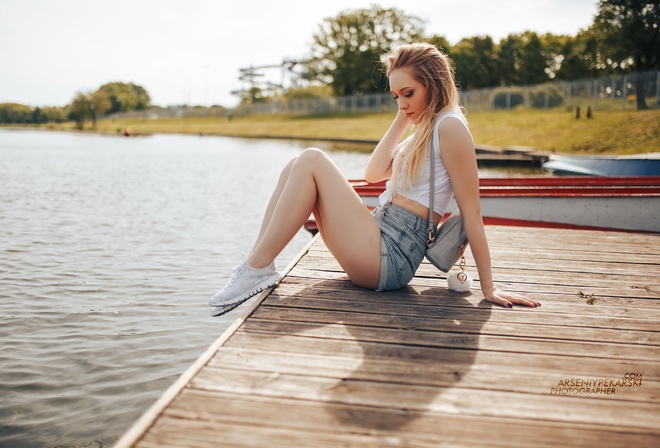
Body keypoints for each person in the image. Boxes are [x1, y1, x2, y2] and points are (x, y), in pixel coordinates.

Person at [209, 42, 540, 317]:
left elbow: (473, 214)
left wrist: (489, 287)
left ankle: (256, 268)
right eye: (396, 96)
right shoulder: (424, 130)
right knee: (296, 164)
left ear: (434, 83)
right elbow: (373, 173)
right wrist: (403, 116)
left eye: (408, 93)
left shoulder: (450, 128)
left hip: (391, 259)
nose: (402, 103)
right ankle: (258, 266)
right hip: (378, 237)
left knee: (311, 159)